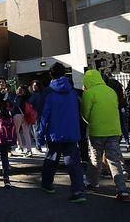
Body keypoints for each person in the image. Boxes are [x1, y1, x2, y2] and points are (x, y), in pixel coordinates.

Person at [38, 62, 86, 203]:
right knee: (73, 163)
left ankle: (47, 184)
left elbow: (43, 117)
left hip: (55, 133)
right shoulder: (73, 91)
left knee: (51, 160)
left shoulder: (48, 92)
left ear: (50, 75)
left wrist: (40, 136)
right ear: (64, 74)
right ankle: (78, 191)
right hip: (71, 132)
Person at [81, 70, 130, 201]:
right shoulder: (111, 91)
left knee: (95, 159)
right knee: (114, 160)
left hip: (97, 132)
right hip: (114, 131)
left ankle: (94, 183)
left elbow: (85, 114)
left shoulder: (89, 93)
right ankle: (122, 190)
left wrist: (91, 122)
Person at [12, 85, 33, 157]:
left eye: (17, 88)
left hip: (17, 115)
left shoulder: (18, 97)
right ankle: (29, 150)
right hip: (26, 115)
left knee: (16, 131)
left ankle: (20, 147)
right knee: (27, 134)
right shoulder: (27, 97)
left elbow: (16, 105)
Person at [28, 80, 44, 152]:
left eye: (35, 85)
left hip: (35, 114)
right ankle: (40, 144)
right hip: (42, 113)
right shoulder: (43, 94)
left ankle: (38, 146)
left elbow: (29, 102)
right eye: (33, 85)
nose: (34, 87)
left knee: (36, 130)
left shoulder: (34, 94)